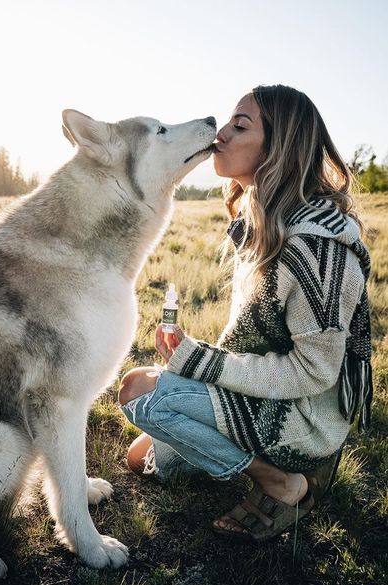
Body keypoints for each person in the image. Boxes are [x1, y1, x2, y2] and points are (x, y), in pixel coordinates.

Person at [118, 84, 372, 541]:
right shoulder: (264, 219)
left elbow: (313, 372)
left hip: (302, 415)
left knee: (138, 394)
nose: (222, 133)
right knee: (140, 457)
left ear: (280, 146)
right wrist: (199, 358)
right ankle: (240, 452)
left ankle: (283, 479)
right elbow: (257, 339)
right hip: (262, 392)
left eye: (241, 126)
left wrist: (203, 364)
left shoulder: (316, 246)